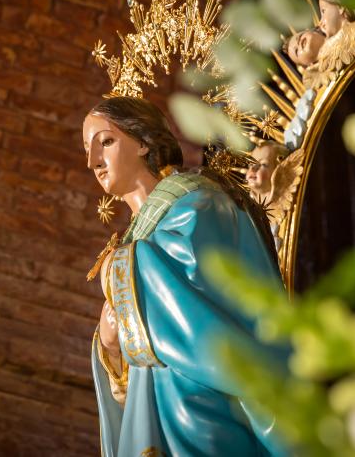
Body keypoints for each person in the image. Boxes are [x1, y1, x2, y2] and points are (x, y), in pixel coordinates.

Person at [83, 96, 289, 456]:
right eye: (88, 149)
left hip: (201, 405)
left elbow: (199, 314)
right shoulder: (137, 235)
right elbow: (140, 358)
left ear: (143, 141)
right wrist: (111, 347)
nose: (93, 162)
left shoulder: (200, 202)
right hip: (153, 411)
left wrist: (118, 273)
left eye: (106, 142)